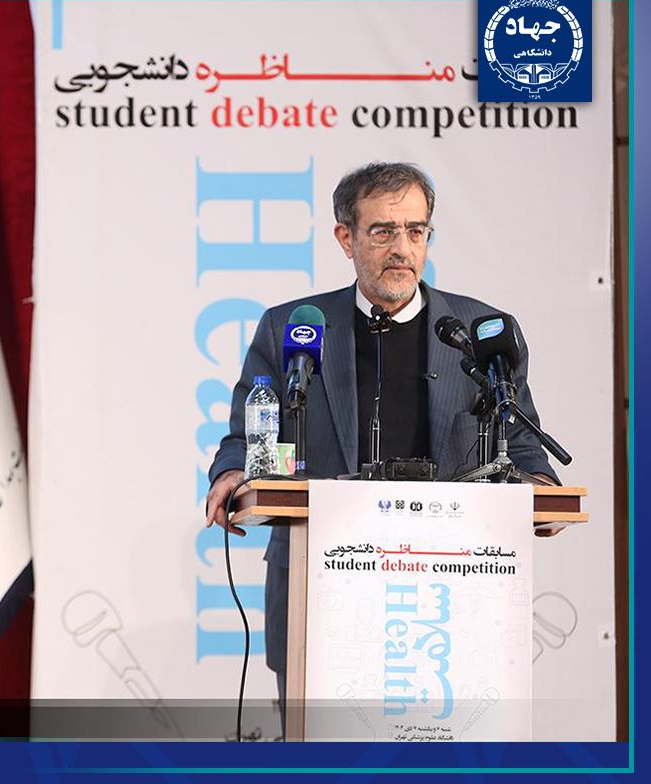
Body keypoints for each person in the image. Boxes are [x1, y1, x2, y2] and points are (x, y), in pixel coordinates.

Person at [202, 161, 560, 737]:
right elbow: (246, 435)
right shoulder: (290, 327)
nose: (402, 248)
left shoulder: (480, 330)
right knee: (321, 758)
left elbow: (521, 442)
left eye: (416, 231)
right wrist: (230, 473)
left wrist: (539, 488)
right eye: (383, 231)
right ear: (346, 238)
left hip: (451, 590)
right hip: (319, 583)